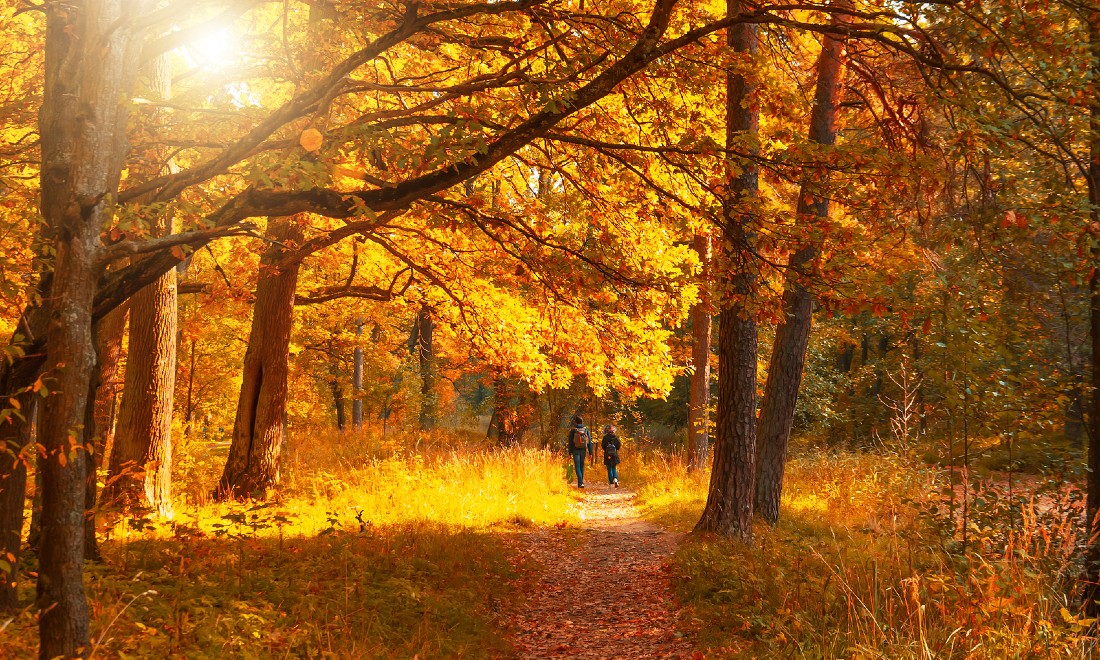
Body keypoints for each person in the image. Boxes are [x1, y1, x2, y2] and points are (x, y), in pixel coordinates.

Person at [565, 415, 591, 488]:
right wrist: (590, 452)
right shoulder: (586, 430)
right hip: (583, 450)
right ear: (582, 421)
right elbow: (589, 442)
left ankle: (581, 482)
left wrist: (569, 453)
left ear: (575, 422)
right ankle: (581, 483)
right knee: (582, 466)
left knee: (577, 466)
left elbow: (570, 442)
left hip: (575, 450)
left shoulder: (573, 430)